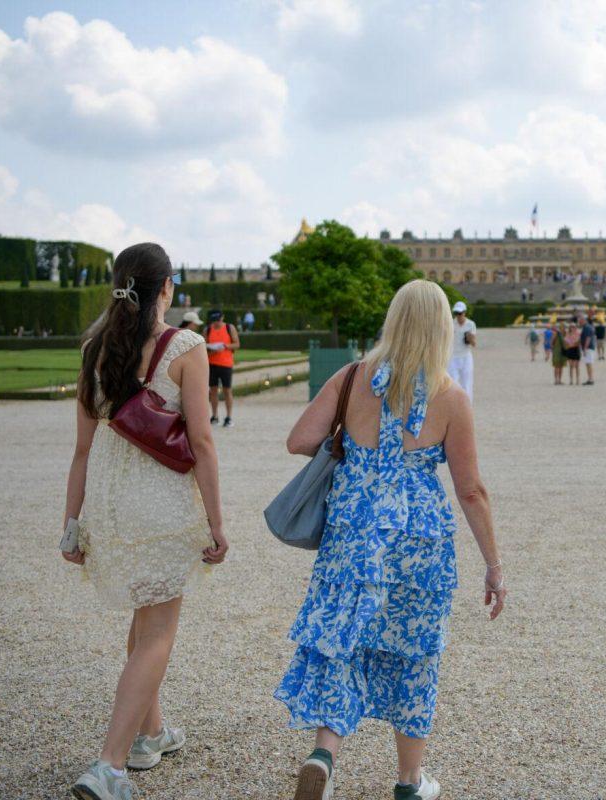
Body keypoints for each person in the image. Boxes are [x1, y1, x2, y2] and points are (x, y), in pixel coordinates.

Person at [277, 280, 505, 800]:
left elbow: (299, 440)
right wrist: (493, 565)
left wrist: (352, 442)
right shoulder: (451, 396)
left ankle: (324, 756)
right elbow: (471, 490)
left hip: (353, 532)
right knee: (415, 652)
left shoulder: (353, 375)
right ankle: (408, 782)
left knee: (342, 639)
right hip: (419, 537)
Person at [65, 243, 228, 800]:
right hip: (161, 507)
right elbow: (202, 444)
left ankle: (149, 735)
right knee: (158, 634)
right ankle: (108, 766)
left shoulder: (94, 348)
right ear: (167, 287)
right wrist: (216, 521)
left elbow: (82, 452)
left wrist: (72, 525)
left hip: (109, 508)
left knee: (142, 626)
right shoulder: (185, 346)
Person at [205, 310, 240, 427]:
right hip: (212, 363)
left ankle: (229, 417)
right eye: (215, 321)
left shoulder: (230, 328)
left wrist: (225, 346)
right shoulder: (208, 330)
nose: (217, 323)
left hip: (226, 364)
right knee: (213, 391)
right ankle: (214, 416)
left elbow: (237, 344)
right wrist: (210, 349)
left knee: (227, 390)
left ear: (223, 318)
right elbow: (203, 347)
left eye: (218, 320)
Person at [447, 301, 477, 400]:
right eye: (456, 313)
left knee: (467, 383)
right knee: (452, 383)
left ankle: (468, 406)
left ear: (464, 312)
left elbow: (474, 344)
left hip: (466, 356)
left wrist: (470, 338)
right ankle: (453, 405)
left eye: (460, 313)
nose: (458, 316)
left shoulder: (470, 324)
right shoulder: (450, 323)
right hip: (453, 357)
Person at [562, 320, 582, 385]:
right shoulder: (568, 334)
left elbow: (578, 342)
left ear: (575, 327)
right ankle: (571, 380)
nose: (572, 328)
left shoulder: (578, 333)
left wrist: (571, 345)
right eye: (571, 327)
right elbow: (565, 342)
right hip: (570, 350)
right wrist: (570, 345)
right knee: (571, 366)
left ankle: (578, 380)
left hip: (576, 350)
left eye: (573, 327)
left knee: (577, 366)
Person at [579, 313, 596, 386]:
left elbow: (588, 338)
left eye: (580, 320)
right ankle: (590, 378)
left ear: (584, 320)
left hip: (588, 348)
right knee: (588, 363)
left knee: (589, 363)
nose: (579, 322)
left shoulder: (587, 327)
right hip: (588, 348)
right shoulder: (587, 327)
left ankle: (591, 379)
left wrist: (585, 348)